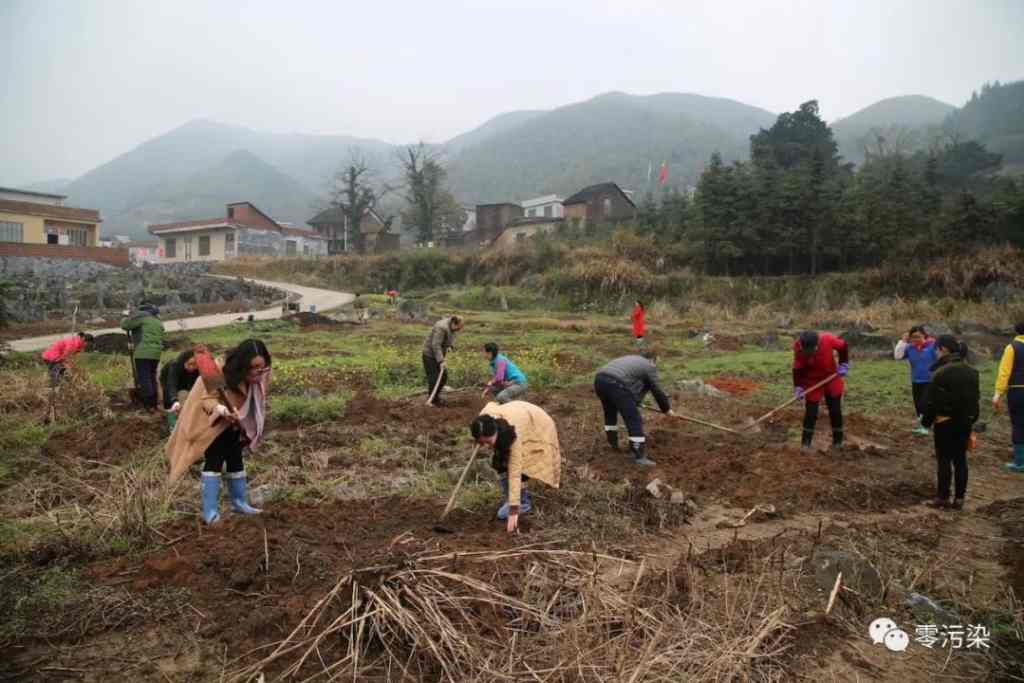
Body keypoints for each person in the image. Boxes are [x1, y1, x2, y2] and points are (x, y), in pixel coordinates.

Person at [166, 339, 272, 524]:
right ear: (242, 364)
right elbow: (207, 400)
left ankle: (239, 502)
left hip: (235, 420)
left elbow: (256, 396)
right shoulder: (217, 371)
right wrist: (223, 411)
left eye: (262, 368)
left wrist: (239, 417)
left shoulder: (261, 374)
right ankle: (210, 511)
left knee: (235, 457)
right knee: (215, 457)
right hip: (209, 421)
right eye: (254, 367)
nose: (259, 372)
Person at [471, 401, 561, 533]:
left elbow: (515, 471)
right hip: (519, 412)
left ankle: (523, 503)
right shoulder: (483, 421)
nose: (485, 445)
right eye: (482, 442)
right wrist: (480, 440)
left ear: (495, 432)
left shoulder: (513, 435)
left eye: (488, 442)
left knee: (524, 463)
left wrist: (514, 509)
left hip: (538, 424)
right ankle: (511, 497)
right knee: (499, 463)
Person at [921, 335, 979, 510]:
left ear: (943, 349)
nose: (936, 353)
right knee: (961, 459)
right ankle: (959, 499)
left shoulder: (940, 373)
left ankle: (942, 497)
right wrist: (972, 419)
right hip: (965, 422)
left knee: (944, 460)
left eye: (936, 349)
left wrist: (926, 422)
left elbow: (932, 403)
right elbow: (975, 400)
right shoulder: (972, 372)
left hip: (944, 422)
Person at [594, 353, 674, 467]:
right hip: (617, 383)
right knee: (634, 418)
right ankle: (639, 456)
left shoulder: (633, 360)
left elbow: (636, 388)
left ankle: (613, 444)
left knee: (610, 413)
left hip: (600, 379)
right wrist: (667, 409)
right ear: (653, 360)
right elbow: (657, 390)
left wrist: (635, 402)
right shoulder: (649, 366)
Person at [793, 331, 849, 452]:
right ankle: (805, 444)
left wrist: (843, 363)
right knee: (811, 413)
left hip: (831, 377)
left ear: (816, 345)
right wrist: (798, 386)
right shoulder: (798, 346)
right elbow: (797, 368)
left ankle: (837, 442)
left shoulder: (827, 339)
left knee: (835, 410)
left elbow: (843, 346)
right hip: (812, 381)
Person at [894, 325, 938, 435]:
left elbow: (941, 359)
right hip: (916, 380)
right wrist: (903, 341)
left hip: (930, 380)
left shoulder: (932, 346)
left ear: (924, 335)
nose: (915, 339)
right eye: (913, 337)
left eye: (918, 336)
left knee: (925, 404)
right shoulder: (910, 348)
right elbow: (898, 356)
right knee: (918, 405)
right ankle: (922, 426)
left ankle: (927, 425)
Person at [121, 302, 165, 411]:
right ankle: (154, 404)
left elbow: (125, 325)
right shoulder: (157, 321)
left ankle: (148, 405)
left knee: (144, 379)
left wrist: (125, 317)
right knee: (152, 377)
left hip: (143, 352)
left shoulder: (141, 317)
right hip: (156, 353)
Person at [993, 322, 1024, 473]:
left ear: (1016, 331)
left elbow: (1004, 372)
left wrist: (998, 393)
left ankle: (1020, 463)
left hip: (1018, 391)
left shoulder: (1012, 347)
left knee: (1018, 425)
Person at [422, 315, 464, 406]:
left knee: (443, 377)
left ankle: (435, 397)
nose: (458, 330)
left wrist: (450, 346)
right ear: (454, 323)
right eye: (458, 328)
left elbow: (451, 336)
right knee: (434, 378)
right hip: (430, 355)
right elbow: (435, 345)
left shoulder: (452, 327)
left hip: (439, 355)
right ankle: (431, 399)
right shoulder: (441, 327)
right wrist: (441, 361)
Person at [160, 349, 200, 431]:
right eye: (190, 364)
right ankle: (172, 425)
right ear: (184, 361)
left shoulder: (198, 369)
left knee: (189, 396)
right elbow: (172, 384)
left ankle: (186, 419)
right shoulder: (175, 365)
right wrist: (174, 400)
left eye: (195, 364)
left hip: (187, 378)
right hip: (168, 377)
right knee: (169, 398)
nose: (192, 367)